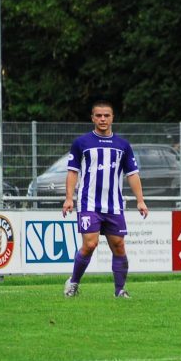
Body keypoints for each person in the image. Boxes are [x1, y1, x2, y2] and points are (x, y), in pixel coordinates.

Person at [62, 100, 149, 298]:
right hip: (88, 203)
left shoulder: (123, 145)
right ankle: (73, 282)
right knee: (90, 244)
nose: (102, 119)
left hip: (114, 205)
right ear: (92, 118)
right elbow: (72, 172)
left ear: (112, 118)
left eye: (106, 115)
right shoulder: (81, 143)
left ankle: (120, 291)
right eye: (98, 115)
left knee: (119, 245)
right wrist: (69, 198)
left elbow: (132, 174)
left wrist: (140, 200)